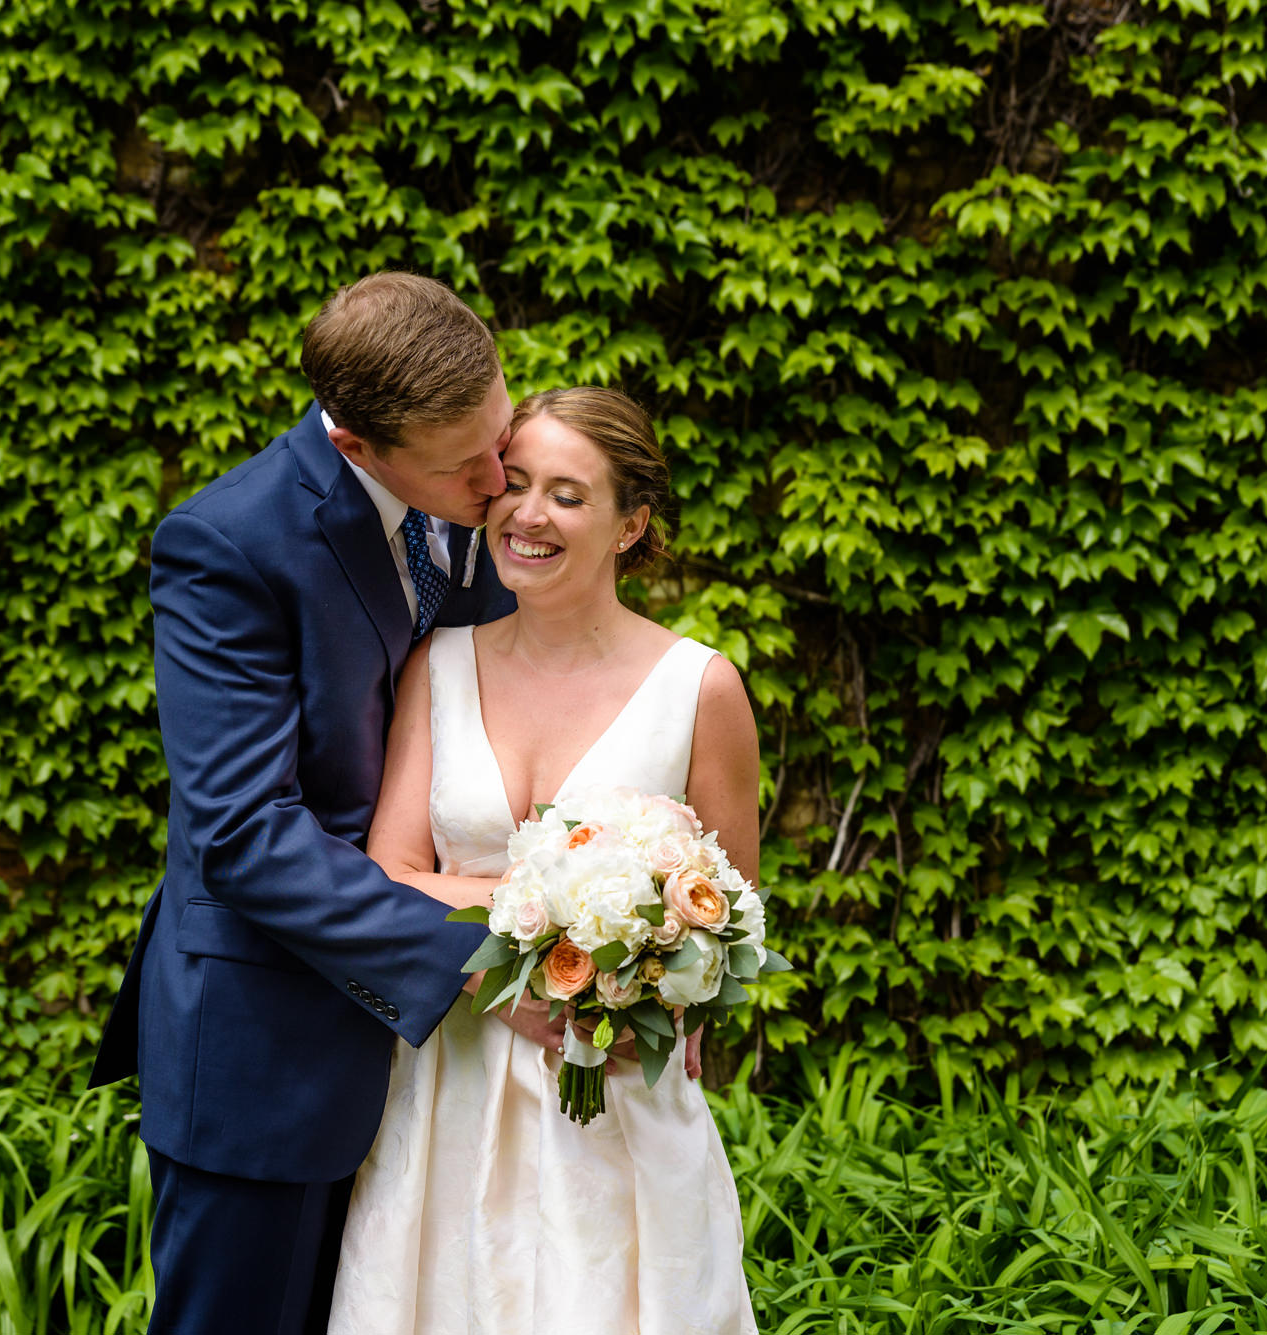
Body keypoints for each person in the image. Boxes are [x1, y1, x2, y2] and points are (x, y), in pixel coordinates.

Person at [89, 273, 566, 1334]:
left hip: (451, 1094)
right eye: (466, 464)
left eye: (501, 432)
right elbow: (245, 840)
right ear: (357, 448)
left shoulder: (480, 503)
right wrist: (479, 952)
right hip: (276, 1052)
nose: (502, 481)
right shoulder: (228, 545)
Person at [328, 386, 764, 1334]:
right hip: (452, 1078)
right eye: (514, 483)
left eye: (568, 494)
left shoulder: (701, 688)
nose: (528, 514)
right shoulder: (436, 663)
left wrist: (649, 973)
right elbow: (387, 872)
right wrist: (550, 909)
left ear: (629, 524)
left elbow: (733, 917)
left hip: (612, 1097)